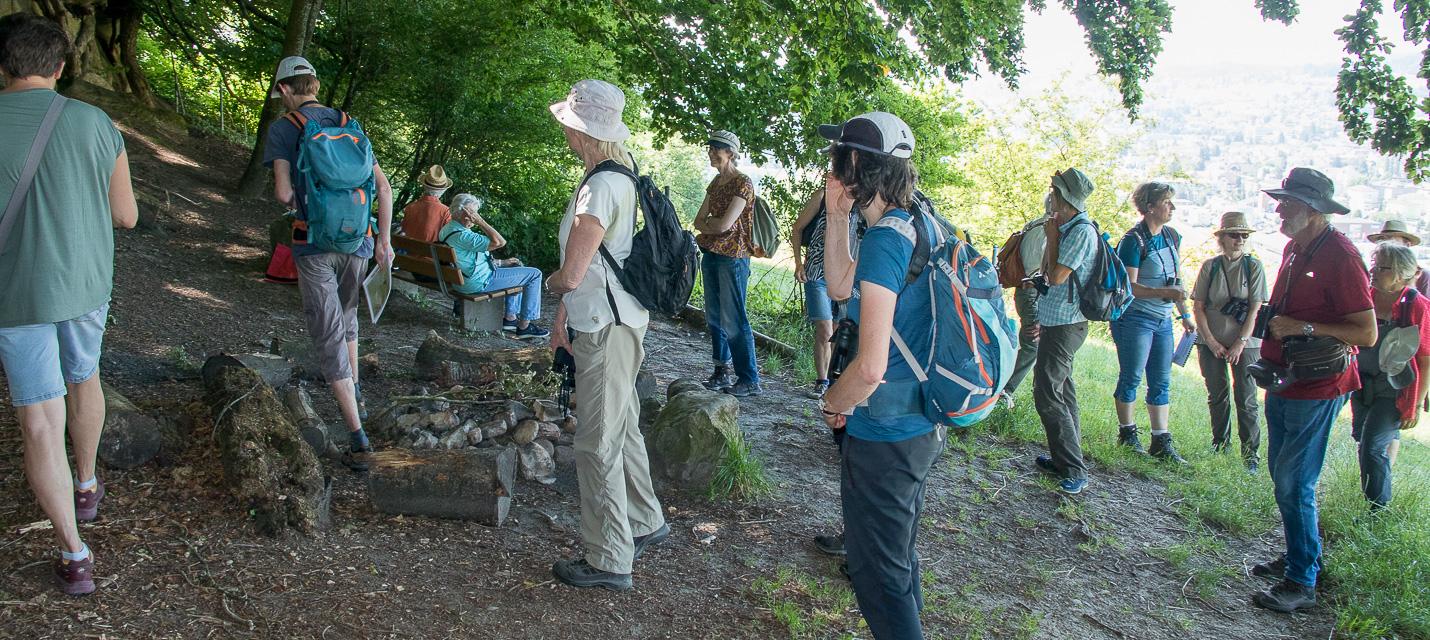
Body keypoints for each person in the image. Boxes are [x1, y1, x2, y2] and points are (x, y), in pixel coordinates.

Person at [0, 12, 137, 595]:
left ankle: (73, 554)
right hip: (84, 286)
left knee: (39, 420)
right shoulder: (97, 122)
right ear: (59, 67)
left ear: (2, 66)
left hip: (15, 296)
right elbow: (126, 216)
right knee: (84, 378)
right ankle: (85, 484)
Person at [816, 111, 941, 640]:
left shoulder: (888, 239)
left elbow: (869, 367)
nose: (830, 165)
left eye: (837, 156)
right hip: (918, 421)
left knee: (877, 573)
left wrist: (833, 401)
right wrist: (836, 215)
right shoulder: (916, 221)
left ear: (854, 162)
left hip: (886, 430)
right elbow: (840, 286)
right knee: (897, 555)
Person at [545, 79, 667, 591]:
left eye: (568, 126)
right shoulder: (624, 175)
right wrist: (562, 318)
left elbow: (573, 273)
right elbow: (597, 267)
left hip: (604, 328)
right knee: (624, 426)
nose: (565, 133)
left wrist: (549, 285)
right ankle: (644, 519)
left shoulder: (599, 187)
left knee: (596, 442)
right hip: (620, 321)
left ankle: (610, 557)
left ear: (581, 131)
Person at [1249, 167, 1377, 613]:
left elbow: (1366, 332)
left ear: (1314, 209)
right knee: (1282, 476)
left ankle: (1302, 580)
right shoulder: (1295, 248)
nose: (1279, 210)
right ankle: (1301, 555)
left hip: (1319, 385)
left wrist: (1302, 327)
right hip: (1285, 377)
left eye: (1287, 203)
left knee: (1294, 482)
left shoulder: (1342, 257)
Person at [262, 55, 393, 467]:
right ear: (315, 85)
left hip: (313, 242)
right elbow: (383, 188)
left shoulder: (284, 128)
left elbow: (284, 194)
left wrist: (307, 202)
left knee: (328, 332)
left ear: (285, 88)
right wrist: (384, 241)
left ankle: (358, 438)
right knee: (348, 319)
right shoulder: (349, 124)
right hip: (359, 240)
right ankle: (357, 395)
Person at [1110, 182, 1193, 462]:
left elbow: (1175, 280)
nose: (1172, 207)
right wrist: (1164, 293)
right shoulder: (1133, 241)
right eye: (1167, 202)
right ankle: (1127, 433)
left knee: (1161, 380)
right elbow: (1129, 287)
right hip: (1135, 319)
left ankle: (1161, 439)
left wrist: (1184, 314)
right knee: (1132, 376)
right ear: (1149, 207)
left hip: (1163, 319)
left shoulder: (1171, 237)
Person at [1030, 168, 1099, 495]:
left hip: (1067, 324)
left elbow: (1058, 277)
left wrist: (1054, 236)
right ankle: (1065, 460)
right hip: (1057, 320)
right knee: (1063, 390)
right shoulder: (1065, 227)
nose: (1050, 196)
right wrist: (1052, 234)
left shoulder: (1081, 231)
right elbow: (1047, 272)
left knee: (1047, 391)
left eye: (1054, 191)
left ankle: (1073, 469)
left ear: (1064, 197)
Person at [1349, 242, 1429, 509]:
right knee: (1363, 441)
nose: (1373, 271)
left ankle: (1377, 510)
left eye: (1382, 268)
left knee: (1372, 445)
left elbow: (1426, 360)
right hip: (1362, 382)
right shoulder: (1366, 296)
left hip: (1396, 388)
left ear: (1400, 274)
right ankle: (1372, 501)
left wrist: (1415, 404)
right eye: (1374, 264)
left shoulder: (1417, 305)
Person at [1191, 212, 1268, 471]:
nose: (1240, 240)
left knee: (1246, 398)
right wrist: (1211, 341)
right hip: (1211, 340)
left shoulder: (1253, 266)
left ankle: (1250, 454)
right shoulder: (1210, 266)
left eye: (1244, 235)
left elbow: (1256, 308)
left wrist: (1240, 343)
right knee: (1217, 394)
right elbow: (1198, 306)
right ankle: (1220, 444)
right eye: (1234, 234)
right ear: (1222, 238)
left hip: (1246, 343)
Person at [693, 130, 762, 397]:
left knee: (734, 319)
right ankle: (721, 371)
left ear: (731, 153)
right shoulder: (716, 182)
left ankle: (749, 379)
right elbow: (698, 220)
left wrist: (711, 225)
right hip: (712, 253)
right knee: (714, 316)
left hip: (733, 257)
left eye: (716, 149)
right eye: (710, 148)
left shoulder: (742, 183)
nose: (711, 153)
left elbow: (723, 224)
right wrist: (714, 225)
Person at [437, 193, 548, 338]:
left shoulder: (447, 229)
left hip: (461, 280)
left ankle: (510, 318)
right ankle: (524, 326)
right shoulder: (464, 236)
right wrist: (481, 222)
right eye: (471, 213)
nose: (474, 217)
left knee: (514, 266)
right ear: (458, 213)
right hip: (478, 282)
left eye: (475, 213)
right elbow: (500, 242)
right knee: (534, 274)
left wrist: (502, 263)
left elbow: (467, 260)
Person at [999, 195, 1052, 408]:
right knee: (1032, 344)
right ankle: (1004, 390)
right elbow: (1046, 271)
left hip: (1024, 290)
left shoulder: (1033, 225)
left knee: (1031, 342)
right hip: (1033, 292)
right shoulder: (1049, 232)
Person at [790, 187, 842, 399]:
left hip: (845, 277)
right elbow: (797, 228)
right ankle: (821, 382)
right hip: (816, 272)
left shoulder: (864, 199)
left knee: (838, 331)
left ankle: (834, 382)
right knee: (825, 329)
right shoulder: (822, 196)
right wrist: (798, 263)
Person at [1368, 219, 1429, 294]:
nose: (1385, 246)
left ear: (1407, 245)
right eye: (1381, 241)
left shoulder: (1423, 276)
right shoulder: (1374, 272)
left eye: (1391, 242)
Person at [399, 164, 452, 242]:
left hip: (406, 248)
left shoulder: (410, 207)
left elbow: (404, 230)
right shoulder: (445, 212)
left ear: (424, 186)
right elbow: (448, 238)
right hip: (430, 250)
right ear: (443, 190)